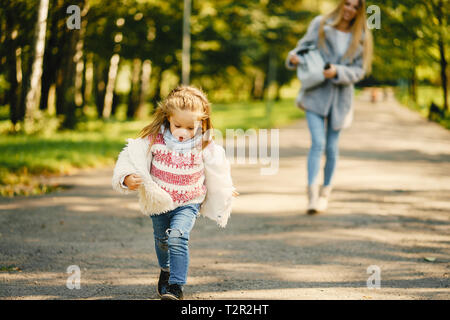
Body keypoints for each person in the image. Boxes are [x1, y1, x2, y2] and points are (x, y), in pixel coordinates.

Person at [111, 85, 238, 300]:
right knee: (162, 240)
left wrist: (225, 189)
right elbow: (129, 157)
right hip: (159, 201)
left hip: (189, 201)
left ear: (201, 123)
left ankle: (176, 285)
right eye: (177, 125)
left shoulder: (204, 143)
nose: (183, 133)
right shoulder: (153, 140)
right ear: (167, 117)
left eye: (190, 128)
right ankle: (166, 271)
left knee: (178, 237)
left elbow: (218, 168)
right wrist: (126, 178)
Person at [285, 0, 373, 214]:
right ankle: (312, 195)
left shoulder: (362, 36)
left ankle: (326, 192)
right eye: (347, 4)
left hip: (341, 99)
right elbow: (302, 47)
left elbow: (360, 72)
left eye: (355, 7)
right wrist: (293, 57)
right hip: (315, 94)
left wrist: (338, 72)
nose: (349, 10)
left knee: (332, 148)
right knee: (318, 143)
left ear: (359, 11)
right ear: (341, 4)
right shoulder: (320, 23)